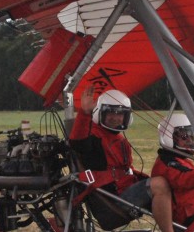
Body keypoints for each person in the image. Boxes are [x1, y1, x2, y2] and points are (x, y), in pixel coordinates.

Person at [69, 86, 174, 232]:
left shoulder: (118, 139)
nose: (115, 118)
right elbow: (78, 143)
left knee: (174, 186)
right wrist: (84, 113)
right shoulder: (93, 135)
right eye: (110, 113)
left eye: (120, 114)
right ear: (100, 113)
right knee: (159, 185)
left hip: (123, 191)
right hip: (112, 203)